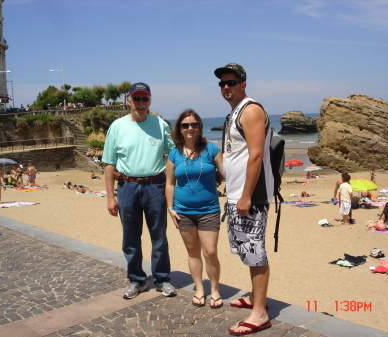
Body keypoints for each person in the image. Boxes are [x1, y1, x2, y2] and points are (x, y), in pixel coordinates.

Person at [102, 82, 176, 300]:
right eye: (136, 99)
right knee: (130, 238)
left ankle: (162, 279)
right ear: (129, 101)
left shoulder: (160, 125)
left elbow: (173, 157)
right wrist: (110, 198)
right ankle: (136, 280)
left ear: (150, 101)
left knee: (159, 236)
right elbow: (109, 165)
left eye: (145, 99)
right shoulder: (117, 127)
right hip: (127, 188)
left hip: (156, 185)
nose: (140, 103)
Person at [215, 63, 273, 335]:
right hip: (238, 195)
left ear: (243, 84)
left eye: (231, 82)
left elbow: (257, 155)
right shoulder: (234, 113)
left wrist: (246, 196)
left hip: (250, 197)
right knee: (244, 251)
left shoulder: (250, 110)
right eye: (222, 83)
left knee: (254, 252)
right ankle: (255, 297)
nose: (226, 87)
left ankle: (259, 313)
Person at [165, 109, 224, 309]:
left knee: (210, 251)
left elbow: (226, 173)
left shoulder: (212, 149)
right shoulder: (174, 154)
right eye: (185, 125)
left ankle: (214, 289)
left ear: (199, 127)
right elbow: (170, 183)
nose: (190, 128)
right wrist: (170, 208)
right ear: (179, 130)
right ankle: (199, 289)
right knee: (192, 253)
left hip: (209, 209)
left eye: (194, 124)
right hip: (183, 212)